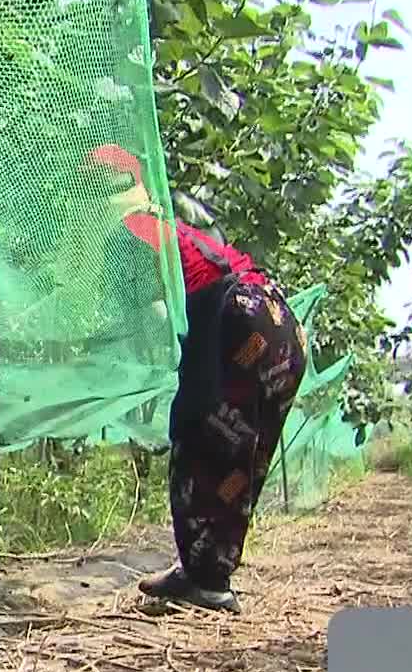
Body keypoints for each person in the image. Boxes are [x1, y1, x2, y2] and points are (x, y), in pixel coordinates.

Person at [82, 143, 308, 614]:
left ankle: (205, 580)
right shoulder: (166, 225)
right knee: (240, 451)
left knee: (200, 432)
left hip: (236, 317)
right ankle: (206, 573)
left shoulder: (132, 232)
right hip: (279, 319)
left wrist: (82, 349)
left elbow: (135, 322)